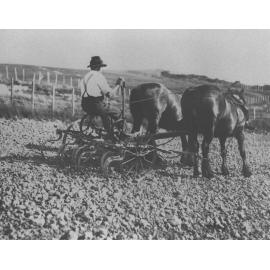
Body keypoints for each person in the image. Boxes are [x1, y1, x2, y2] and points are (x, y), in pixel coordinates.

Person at [81, 56, 125, 133]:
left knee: (105, 109)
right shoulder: (99, 76)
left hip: (85, 105)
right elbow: (110, 95)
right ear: (99, 68)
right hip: (96, 105)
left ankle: (108, 129)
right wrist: (118, 85)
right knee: (117, 112)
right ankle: (116, 134)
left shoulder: (85, 77)